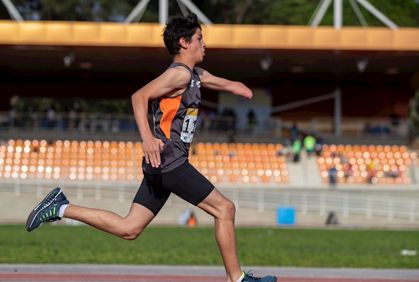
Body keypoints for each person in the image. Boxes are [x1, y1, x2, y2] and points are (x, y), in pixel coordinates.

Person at [26, 13, 276, 282]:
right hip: (171, 163)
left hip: (161, 165)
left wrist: (236, 86)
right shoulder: (178, 75)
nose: (204, 44)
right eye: (199, 39)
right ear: (184, 42)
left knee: (129, 228)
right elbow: (139, 97)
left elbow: (213, 80)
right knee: (224, 209)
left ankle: (60, 207)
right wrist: (146, 137)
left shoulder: (193, 74)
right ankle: (237, 279)